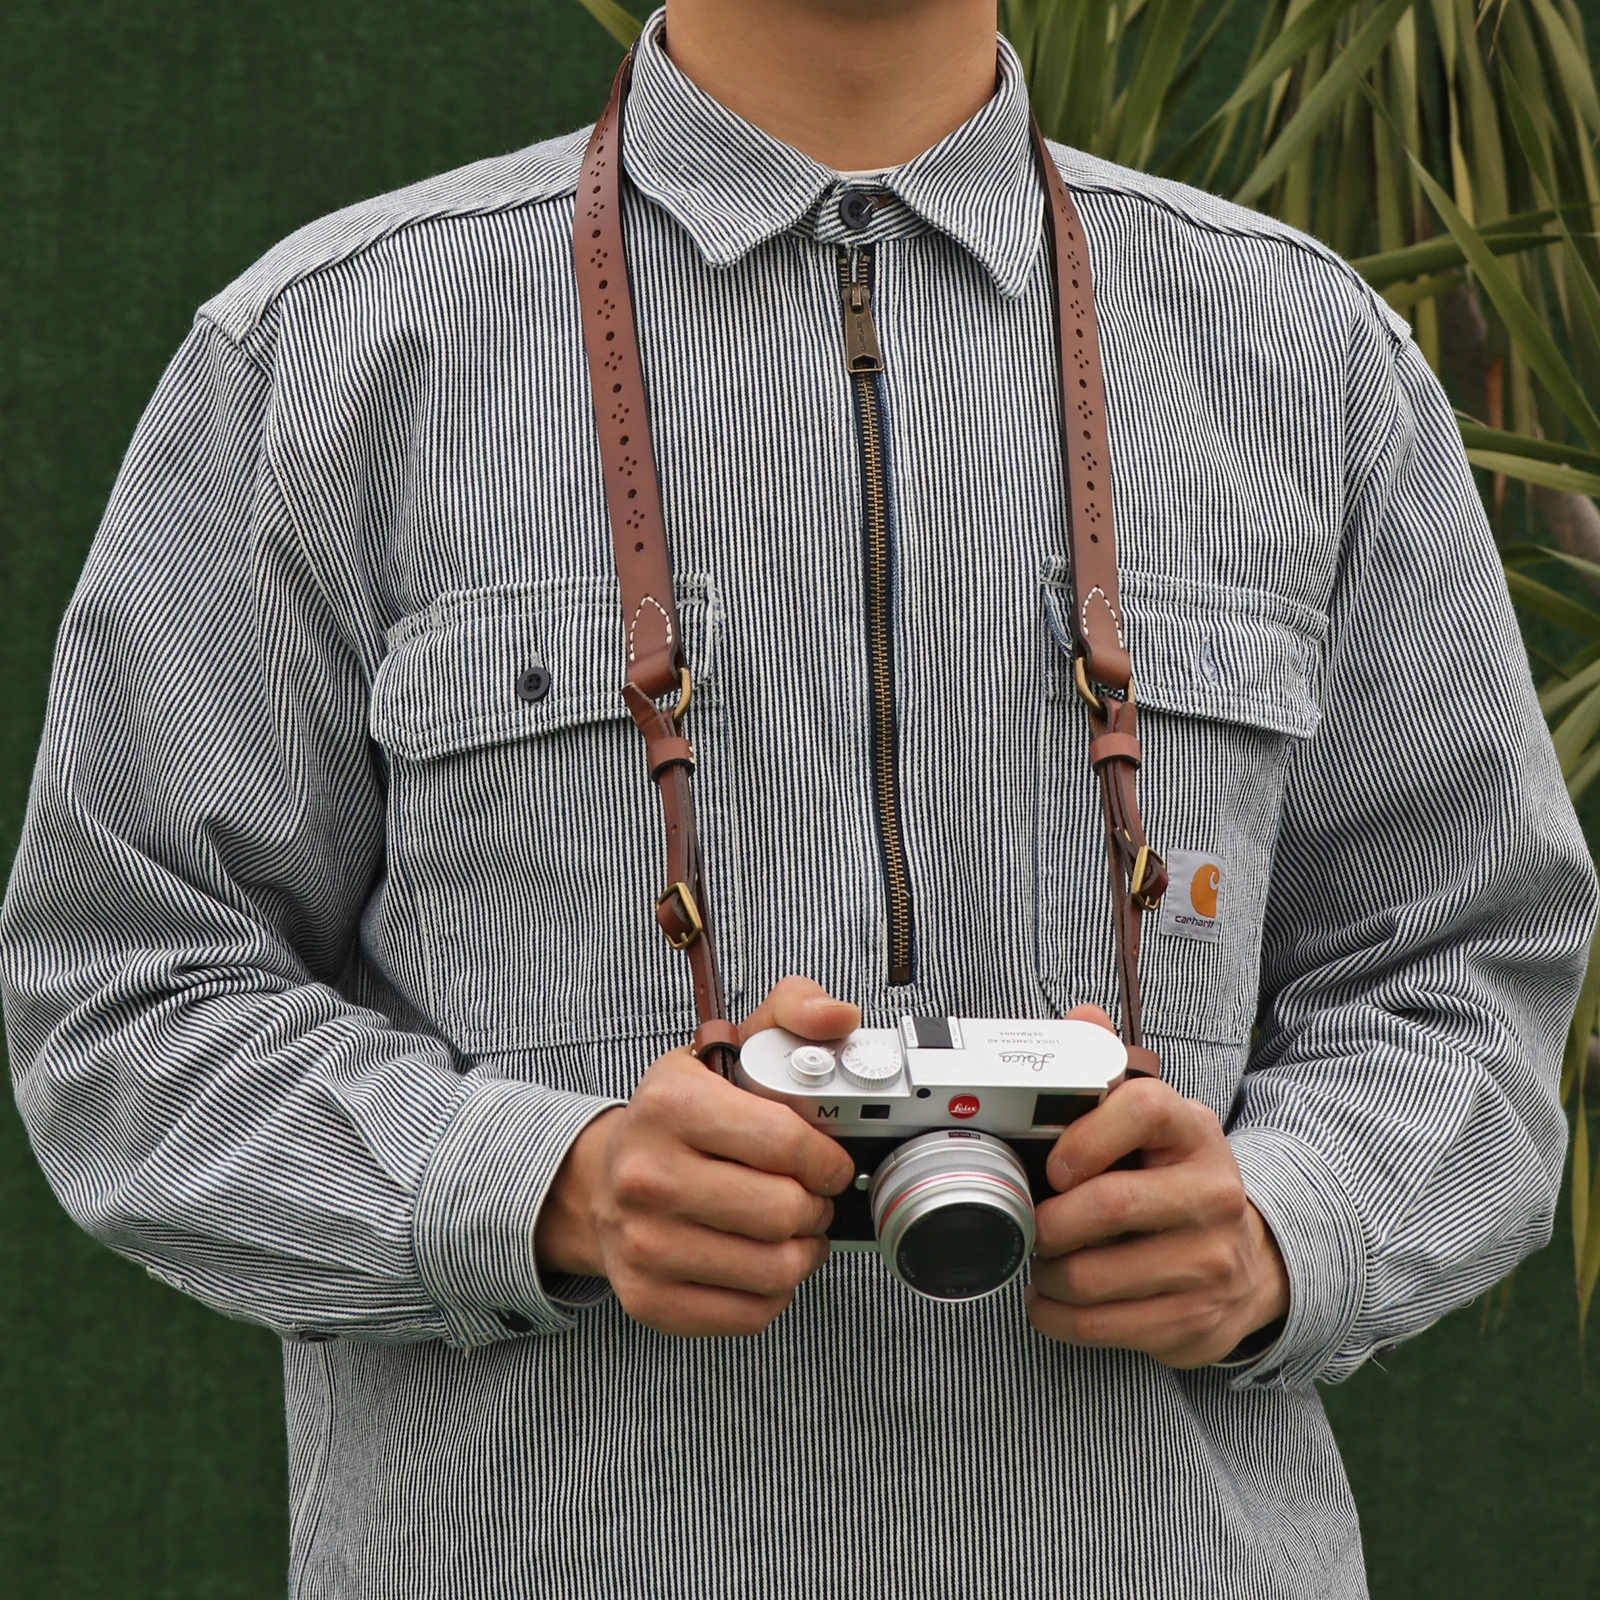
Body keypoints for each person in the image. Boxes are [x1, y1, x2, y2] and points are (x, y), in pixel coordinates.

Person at [3, 0, 1595, 1592]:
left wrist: (1276, 1230)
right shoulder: (328, 352)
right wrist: (545, 1188)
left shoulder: (1308, 358)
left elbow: (1471, 977)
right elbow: (123, 1002)